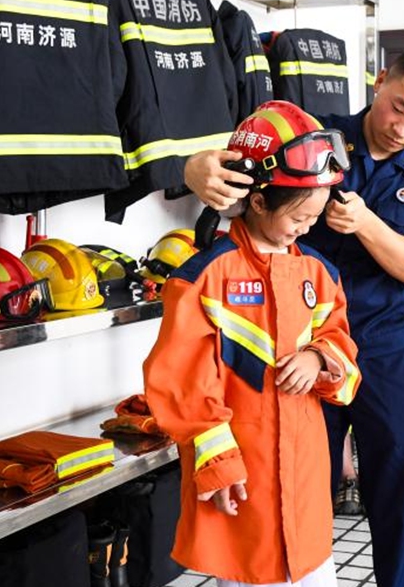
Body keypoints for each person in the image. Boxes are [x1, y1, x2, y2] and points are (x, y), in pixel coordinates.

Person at [183, 43, 404, 587]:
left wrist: (367, 225)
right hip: (295, 351)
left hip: (387, 348)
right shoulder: (313, 134)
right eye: (399, 108)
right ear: (380, 81)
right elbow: (232, 164)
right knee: (291, 485)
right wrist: (195, 167)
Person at [143, 102, 361, 587]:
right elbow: (180, 381)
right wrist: (218, 463)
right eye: (299, 217)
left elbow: (340, 338)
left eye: (316, 217)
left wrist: (318, 356)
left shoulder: (317, 274)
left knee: (311, 570)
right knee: (253, 571)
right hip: (246, 475)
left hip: (304, 473)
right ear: (258, 200)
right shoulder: (207, 277)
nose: (307, 228)